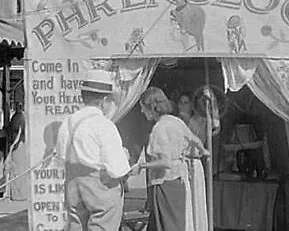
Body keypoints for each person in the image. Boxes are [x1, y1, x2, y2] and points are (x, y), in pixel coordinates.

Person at [56, 69, 134, 231]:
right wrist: (125, 157)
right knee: (102, 225)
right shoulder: (104, 125)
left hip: (73, 187)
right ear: (104, 100)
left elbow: (61, 156)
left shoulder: (68, 122)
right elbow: (118, 169)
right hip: (99, 189)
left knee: (76, 225)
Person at [137, 86, 209, 231]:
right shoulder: (175, 121)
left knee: (166, 225)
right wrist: (204, 151)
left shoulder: (159, 128)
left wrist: (141, 166)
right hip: (180, 182)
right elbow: (194, 139)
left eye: (143, 108)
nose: (141, 111)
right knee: (178, 224)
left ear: (152, 107)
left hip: (165, 184)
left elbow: (165, 162)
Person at [177, 92, 208, 231]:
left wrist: (188, 121)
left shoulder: (199, 121)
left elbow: (201, 141)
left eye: (186, 102)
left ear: (191, 105)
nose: (183, 106)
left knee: (196, 199)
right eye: (180, 103)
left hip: (194, 162)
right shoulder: (174, 121)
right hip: (181, 163)